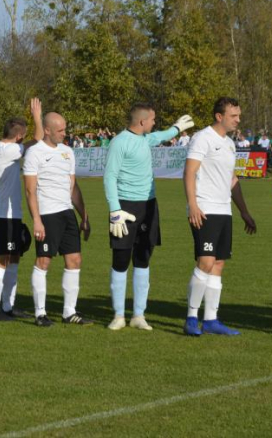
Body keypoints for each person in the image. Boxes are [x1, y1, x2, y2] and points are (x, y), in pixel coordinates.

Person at [103, 104, 194, 331]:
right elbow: (109, 177)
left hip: (149, 206)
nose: (154, 122)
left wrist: (176, 127)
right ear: (142, 122)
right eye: (152, 119)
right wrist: (115, 211)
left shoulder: (145, 139)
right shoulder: (119, 142)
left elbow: (160, 136)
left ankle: (138, 315)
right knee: (121, 260)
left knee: (143, 258)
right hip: (124, 207)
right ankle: (118, 315)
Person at [183, 97, 257, 336]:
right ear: (219, 116)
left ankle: (211, 319)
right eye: (234, 115)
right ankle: (192, 317)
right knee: (205, 261)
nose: (238, 120)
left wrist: (244, 211)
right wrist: (192, 205)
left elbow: (231, 179)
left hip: (224, 210)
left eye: (238, 115)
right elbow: (189, 172)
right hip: (205, 209)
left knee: (218, 264)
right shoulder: (202, 138)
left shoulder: (229, 143)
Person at [23, 112, 92, 327]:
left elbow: (73, 187)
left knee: (75, 260)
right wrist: (36, 220)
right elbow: (30, 190)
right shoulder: (34, 153)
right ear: (47, 130)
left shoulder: (67, 152)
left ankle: (69, 312)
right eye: (60, 130)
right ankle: (40, 313)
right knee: (44, 261)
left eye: (65, 129)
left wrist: (84, 216)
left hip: (67, 213)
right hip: (47, 215)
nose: (65, 133)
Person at [0, 98, 43, 321]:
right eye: (23, 135)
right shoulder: (7, 150)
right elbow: (37, 140)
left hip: (11, 212)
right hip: (2, 214)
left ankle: (8, 305)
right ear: (19, 136)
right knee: (1, 258)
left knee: (14, 256)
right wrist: (37, 116)